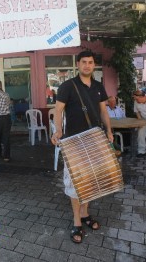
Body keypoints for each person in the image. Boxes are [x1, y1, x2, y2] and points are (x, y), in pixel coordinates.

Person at [51, 51, 113, 244]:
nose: (87, 65)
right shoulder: (68, 86)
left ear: (94, 65)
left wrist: (109, 131)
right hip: (74, 141)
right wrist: (57, 131)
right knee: (76, 183)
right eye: (84, 62)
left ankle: (85, 214)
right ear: (78, 64)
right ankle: (77, 221)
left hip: (95, 140)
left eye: (91, 62)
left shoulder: (98, 86)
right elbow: (58, 111)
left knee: (91, 180)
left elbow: (103, 111)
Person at [133, 90, 146, 157]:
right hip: (143, 120)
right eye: (135, 98)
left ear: (142, 97)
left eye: (137, 99)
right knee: (140, 132)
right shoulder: (136, 101)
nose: (136, 100)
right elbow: (137, 112)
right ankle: (141, 151)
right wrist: (140, 122)